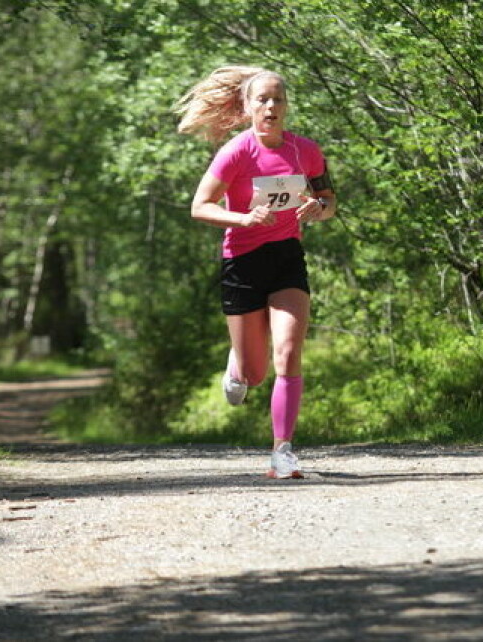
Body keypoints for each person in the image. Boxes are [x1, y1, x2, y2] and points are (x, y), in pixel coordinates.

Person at [175, 66, 336, 479]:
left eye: (278, 99)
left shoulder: (306, 151)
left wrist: (318, 209)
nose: (271, 106)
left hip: (286, 256)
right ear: (247, 107)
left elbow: (329, 201)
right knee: (254, 373)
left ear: (287, 107)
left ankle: (282, 451)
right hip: (243, 260)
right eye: (262, 99)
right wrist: (245, 220)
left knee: (288, 352)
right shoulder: (236, 152)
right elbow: (200, 206)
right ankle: (238, 365)